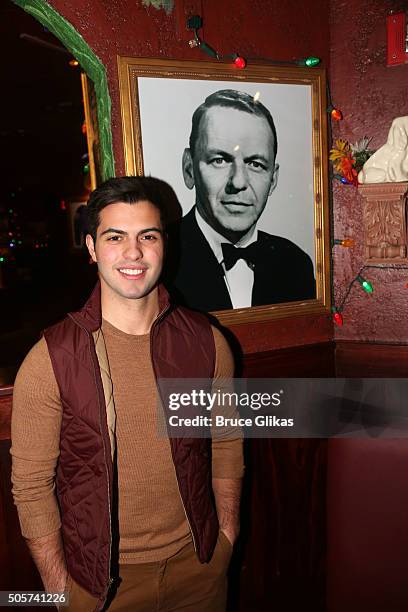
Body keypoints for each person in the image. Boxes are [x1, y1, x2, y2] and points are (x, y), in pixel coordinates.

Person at [11, 176, 244, 611]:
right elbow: (30, 487)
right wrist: (62, 592)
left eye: (147, 236)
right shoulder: (50, 360)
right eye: (115, 237)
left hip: (199, 570)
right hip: (99, 588)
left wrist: (226, 538)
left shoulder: (208, 342)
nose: (133, 252)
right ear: (92, 248)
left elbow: (226, 444)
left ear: (163, 246)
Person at [167, 89, 316, 312]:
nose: (238, 182)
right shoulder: (161, 258)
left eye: (255, 164)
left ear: (273, 179)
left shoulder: (294, 263)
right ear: (189, 169)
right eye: (219, 160)